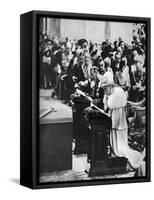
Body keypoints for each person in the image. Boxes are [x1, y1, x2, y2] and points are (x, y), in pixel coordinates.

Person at [100, 72, 145, 172]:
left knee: (121, 148)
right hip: (114, 122)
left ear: (111, 87)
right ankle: (119, 160)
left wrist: (107, 97)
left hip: (120, 124)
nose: (105, 91)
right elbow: (106, 105)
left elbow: (110, 104)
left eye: (105, 89)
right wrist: (106, 96)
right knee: (115, 146)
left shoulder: (118, 92)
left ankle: (133, 160)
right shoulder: (111, 92)